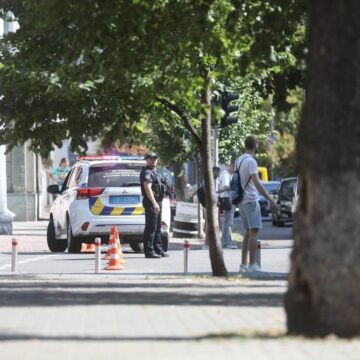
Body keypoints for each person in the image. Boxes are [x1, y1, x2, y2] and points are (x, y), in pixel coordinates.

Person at [235, 135, 277, 272]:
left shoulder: (239, 159)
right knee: (254, 232)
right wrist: (270, 199)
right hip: (251, 199)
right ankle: (253, 264)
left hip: (241, 200)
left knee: (247, 233)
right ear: (256, 145)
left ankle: (243, 265)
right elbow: (257, 182)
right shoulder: (251, 161)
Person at [140, 152, 169, 259]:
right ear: (147, 160)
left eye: (155, 158)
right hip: (152, 202)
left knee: (157, 228)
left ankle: (158, 249)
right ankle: (149, 251)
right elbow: (147, 188)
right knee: (151, 227)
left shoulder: (155, 172)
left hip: (158, 202)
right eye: (151, 159)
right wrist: (154, 203)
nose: (154, 160)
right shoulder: (147, 172)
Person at [217, 162, 237, 249]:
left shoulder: (226, 174)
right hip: (228, 199)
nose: (235, 168)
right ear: (230, 165)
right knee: (228, 222)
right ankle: (226, 242)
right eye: (234, 166)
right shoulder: (226, 174)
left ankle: (226, 241)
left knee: (227, 221)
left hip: (227, 199)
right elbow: (226, 186)